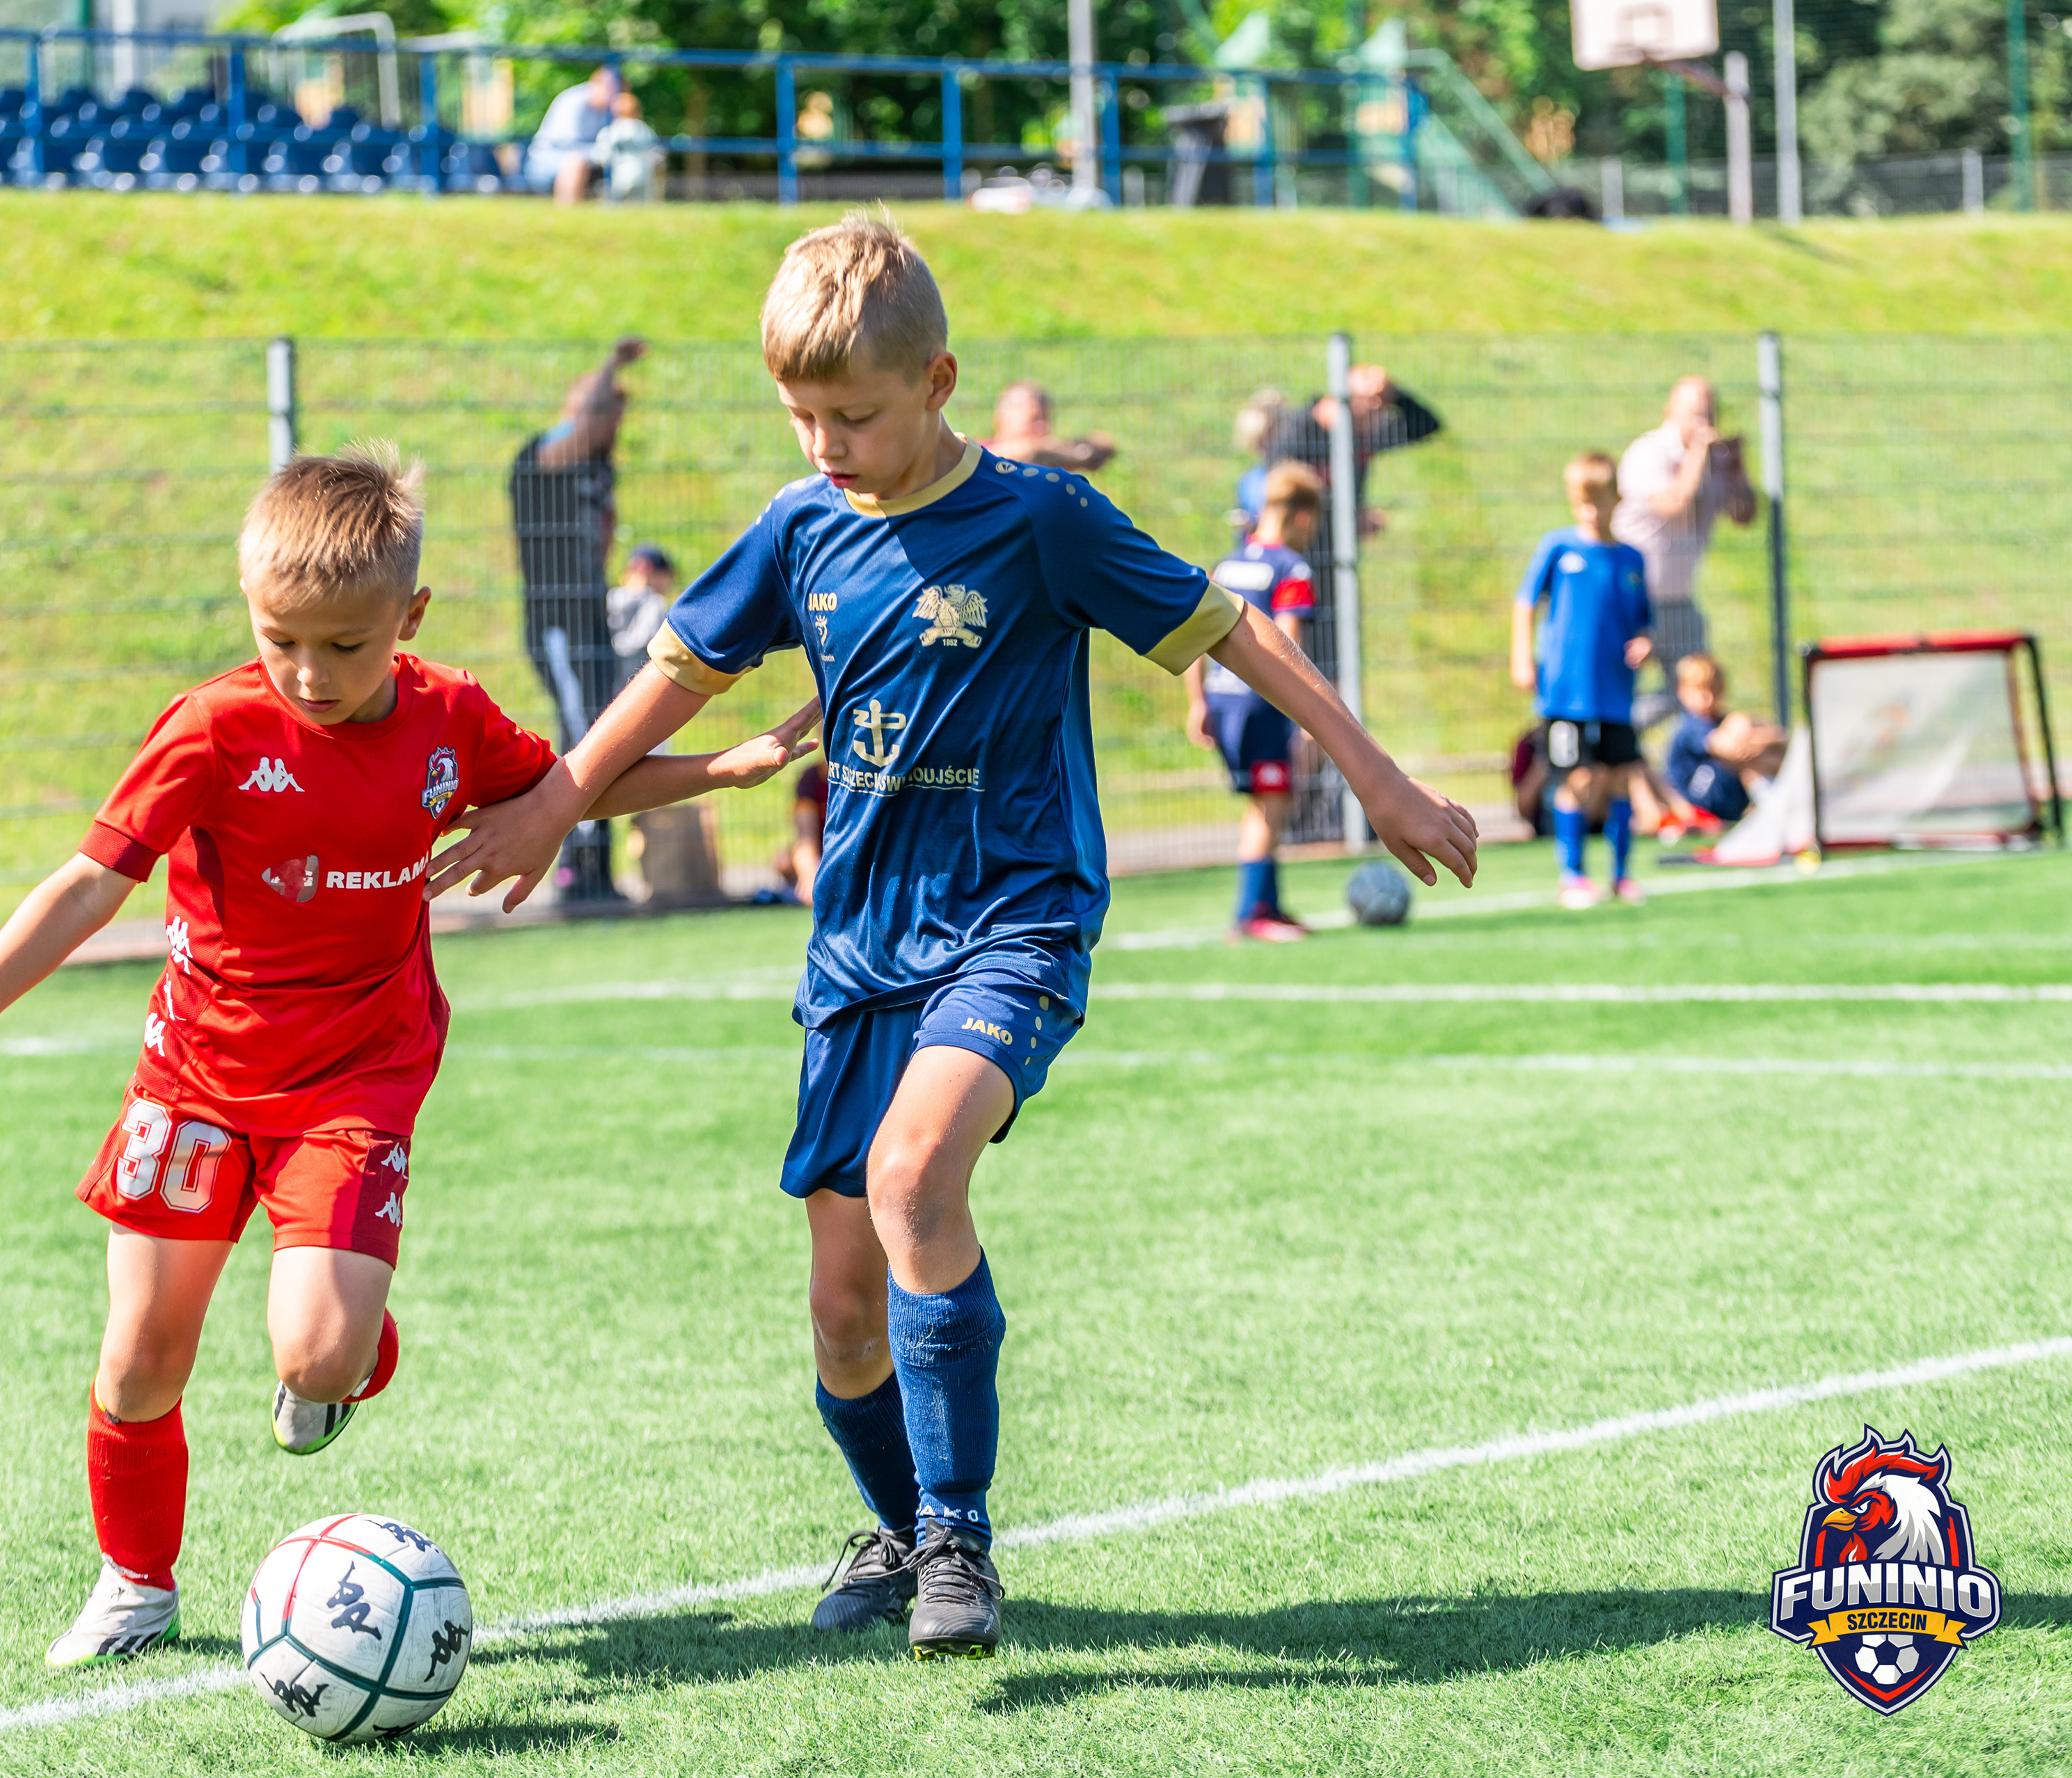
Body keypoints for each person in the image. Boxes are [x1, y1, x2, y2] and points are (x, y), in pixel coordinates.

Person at [424, 213, 1478, 1659]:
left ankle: (960, 1540)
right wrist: (555, 801)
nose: (827, 445)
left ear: (938, 381)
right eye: (802, 417)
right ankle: (906, 1524)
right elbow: (677, 675)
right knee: (842, 1312)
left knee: (917, 1172)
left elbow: (1236, 632)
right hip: (860, 943)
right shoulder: (801, 529)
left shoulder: (1041, 518)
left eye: (854, 416)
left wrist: (1378, 776)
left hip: (1015, 917)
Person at [0, 447, 816, 1668]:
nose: (311, 674)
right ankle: (136, 1583)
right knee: (142, 1359)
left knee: (318, 1356)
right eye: (281, 641)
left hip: (359, 1077)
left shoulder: (448, 718)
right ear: (249, 610)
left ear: (409, 617)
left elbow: (559, 792)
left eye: (345, 646)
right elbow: (90, 883)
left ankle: (344, 1349)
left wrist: (723, 767)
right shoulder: (213, 728)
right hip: (196, 1078)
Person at [509, 335, 644, 900]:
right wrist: (612, 363)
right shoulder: (538, 458)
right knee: (580, 730)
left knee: (602, 728)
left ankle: (598, 867)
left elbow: (605, 535)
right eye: (605, 412)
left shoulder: (598, 468)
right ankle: (575, 867)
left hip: (592, 618)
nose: (612, 424)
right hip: (557, 621)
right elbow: (583, 419)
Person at [1184, 461, 1322, 942]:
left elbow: (1194, 633)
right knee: (1271, 803)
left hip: (1222, 699)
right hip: (1262, 704)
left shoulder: (1227, 564)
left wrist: (1197, 702)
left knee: (1266, 801)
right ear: (1303, 517)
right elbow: (1287, 647)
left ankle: (1271, 904)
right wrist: (1307, 713)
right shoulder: (1291, 567)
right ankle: (1251, 914)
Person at [1511, 451, 1654, 911]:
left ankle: (1622, 875)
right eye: (1581, 502)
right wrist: (1522, 656)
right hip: (1564, 693)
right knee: (1575, 777)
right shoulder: (1559, 548)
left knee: (1619, 780)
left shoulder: (1631, 559)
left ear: (1618, 499)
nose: (1590, 510)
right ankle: (1572, 874)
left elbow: (1643, 622)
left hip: (1615, 693)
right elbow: (1525, 602)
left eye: (1599, 501)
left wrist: (1644, 643)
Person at [1615, 376, 1756, 725]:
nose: (1704, 423)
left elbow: (1744, 515)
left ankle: (1666, 753)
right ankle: (1617, 742)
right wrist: (1699, 453)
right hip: (1632, 599)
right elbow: (1674, 503)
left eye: (1709, 414)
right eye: (1695, 414)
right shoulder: (1648, 452)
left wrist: (1737, 470)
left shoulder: (1713, 459)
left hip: (1678, 600)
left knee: (1696, 695)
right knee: (1618, 692)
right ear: (1670, 412)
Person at [1268, 362, 1442, 536]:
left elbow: (1426, 425)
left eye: (1383, 403)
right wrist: (1347, 520)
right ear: (1344, 400)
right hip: (1299, 542)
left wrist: (1395, 394)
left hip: (1341, 545)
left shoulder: (1365, 432)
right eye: (1370, 400)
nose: (1378, 408)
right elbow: (1279, 495)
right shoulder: (1297, 432)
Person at [1663, 651, 1786, 830]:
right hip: (1697, 805)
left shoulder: (1721, 721)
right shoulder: (1690, 727)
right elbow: (1727, 748)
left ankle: (1780, 805)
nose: (1709, 699)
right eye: (1701, 691)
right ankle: (1776, 810)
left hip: (1730, 806)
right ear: (1682, 691)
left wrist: (1759, 739)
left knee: (1749, 733)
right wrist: (1754, 738)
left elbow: (1780, 737)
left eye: (1715, 691)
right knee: (1739, 727)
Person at [523, 63, 619, 205]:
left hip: (586, 160)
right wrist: (601, 153)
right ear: (597, 85)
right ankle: (567, 211)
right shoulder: (575, 102)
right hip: (546, 161)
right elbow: (571, 147)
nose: (615, 99)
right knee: (576, 162)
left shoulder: (607, 110)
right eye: (613, 92)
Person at [983, 381, 1114, 473]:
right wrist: (1075, 453)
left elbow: (1104, 444)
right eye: (1034, 419)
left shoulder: (1052, 456)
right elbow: (1021, 453)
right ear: (1002, 418)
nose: (1043, 427)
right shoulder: (981, 453)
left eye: (1046, 419)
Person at [1227, 388, 1284, 539]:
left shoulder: (1296, 476)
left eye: (1267, 438)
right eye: (1258, 441)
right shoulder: (1249, 481)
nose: (1262, 447)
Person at [605, 543, 675, 661]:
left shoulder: (607, 598)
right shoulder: (655, 603)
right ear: (647, 569)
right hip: (639, 667)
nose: (669, 585)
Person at [594, 91, 666, 204]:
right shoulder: (645, 130)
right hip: (643, 179)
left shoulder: (610, 131)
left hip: (619, 180)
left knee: (613, 204)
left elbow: (602, 158)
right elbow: (657, 157)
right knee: (642, 206)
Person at [771, 761, 826, 903]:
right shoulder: (812, 778)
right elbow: (806, 836)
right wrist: (809, 873)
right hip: (821, 854)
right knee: (783, 860)